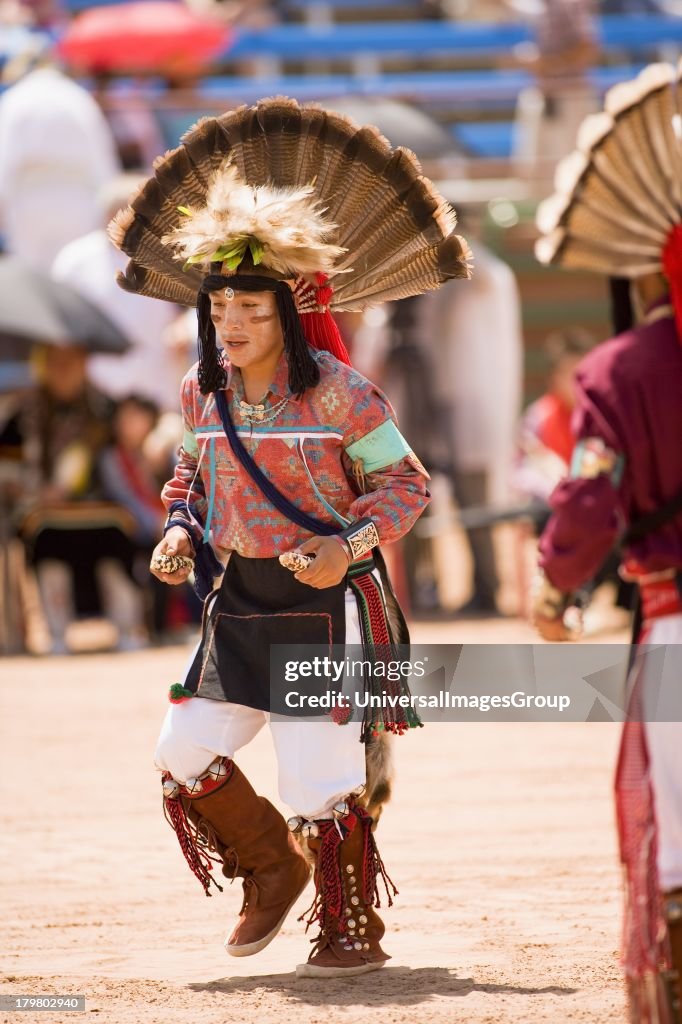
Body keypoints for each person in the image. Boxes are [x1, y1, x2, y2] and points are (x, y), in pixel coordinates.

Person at [108, 96, 471, 977]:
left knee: (318, 777)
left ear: (291, 311)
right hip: (238, 603)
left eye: (250, 309)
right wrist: (180, 528)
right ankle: (273, 867)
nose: (231, 324)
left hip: (324, 605)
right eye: (220, 306)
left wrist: (347, 547)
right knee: (182, 753)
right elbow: (192, 473)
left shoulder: (345, 395)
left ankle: (351, 927)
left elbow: (406, 484)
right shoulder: (202, 392)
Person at [532, 63, 682, 1021]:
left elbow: (587, 503)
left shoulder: (622, 369)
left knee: (678, 845)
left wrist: (554, 588)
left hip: (676, 631)